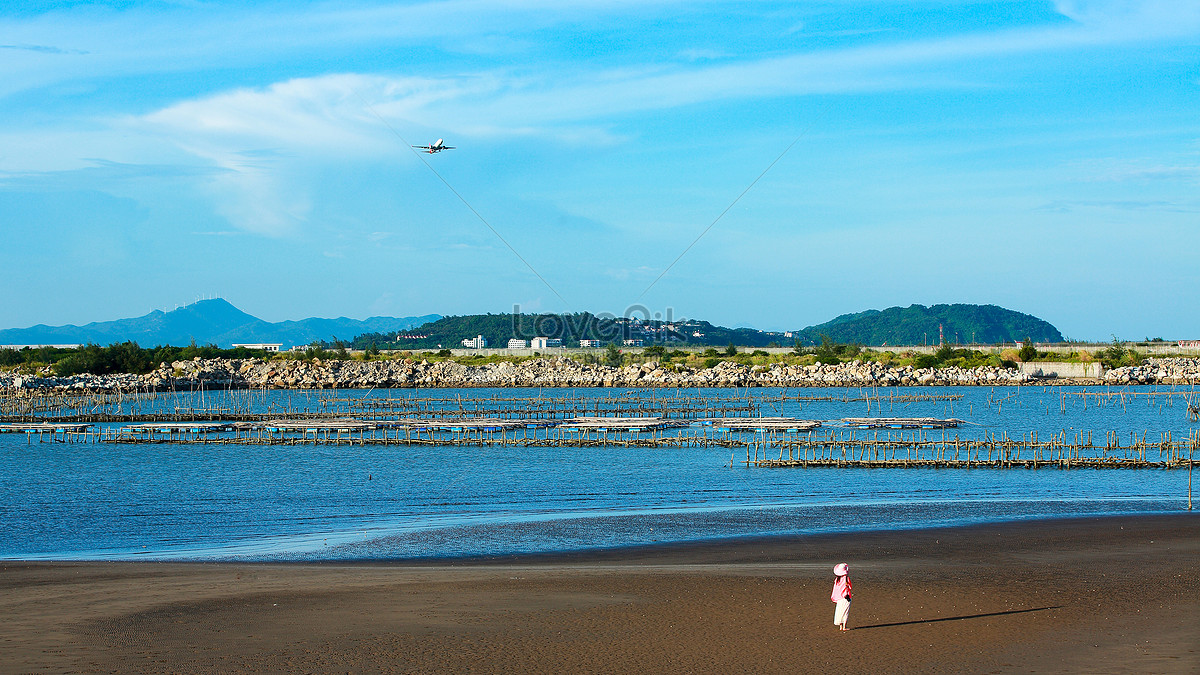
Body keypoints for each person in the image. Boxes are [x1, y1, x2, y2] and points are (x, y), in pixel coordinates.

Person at [831, 562, 852, 631]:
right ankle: (844, 627)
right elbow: (847, 587)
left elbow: (836, 588)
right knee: (845, 611)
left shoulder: (837, 579)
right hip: (845, 597)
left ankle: (840, 626)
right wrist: (846, 594)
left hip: (839, 597)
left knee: (839, 611)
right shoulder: (845, 578)